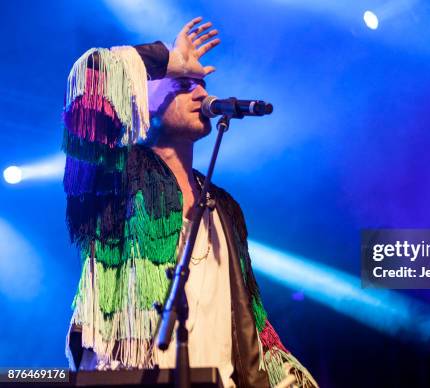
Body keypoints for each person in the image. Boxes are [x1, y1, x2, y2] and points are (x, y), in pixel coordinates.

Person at [62, 16, 317, 388]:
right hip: (130, 379)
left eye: (201, 84)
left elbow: (249, 320)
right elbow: (90, 78)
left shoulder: (224, 207)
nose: (201, 94)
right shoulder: (114, 176)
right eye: (184, 84)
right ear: (140, 101)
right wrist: (169, 59)